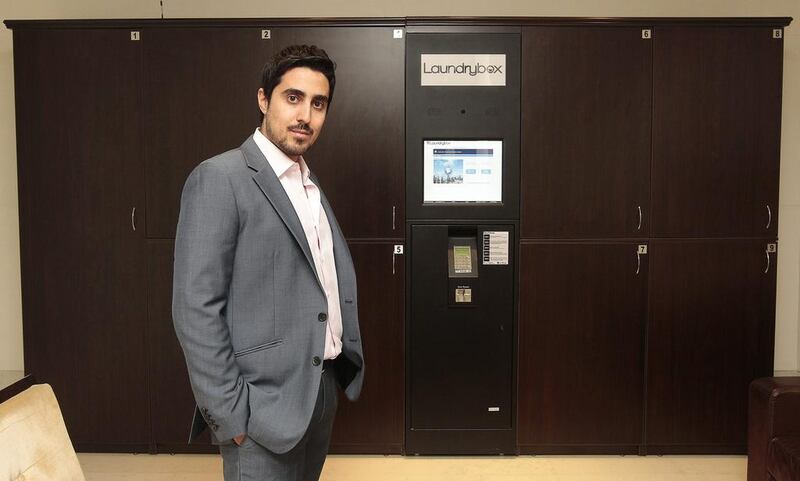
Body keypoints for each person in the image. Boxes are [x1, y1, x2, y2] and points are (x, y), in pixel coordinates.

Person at [172, 44, 364, 481]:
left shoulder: (308, 183)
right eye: (292, 98)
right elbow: (195, 308)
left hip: (318, 391)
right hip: (259, 410)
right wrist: (231, 417)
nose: (305, 116)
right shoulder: (221, 178)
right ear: (264, 99)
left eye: (318, 104)